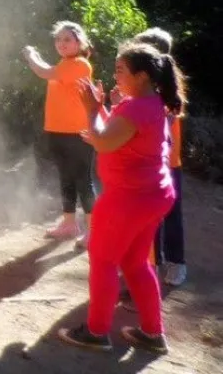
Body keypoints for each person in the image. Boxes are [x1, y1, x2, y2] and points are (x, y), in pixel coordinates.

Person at [58, 43, 184, 355]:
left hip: (128, 198)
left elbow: (103, 142)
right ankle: (153, 334)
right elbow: (117, 134)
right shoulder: (151, 103)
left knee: (103, 261)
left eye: (120, 70)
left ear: (142, 76)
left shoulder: (136, 108)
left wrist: (92, 110)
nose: (115, 75)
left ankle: (96, 332)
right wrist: (103, 110)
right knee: (135, 262)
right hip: (153, 195)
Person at [22, 21, 95, 248]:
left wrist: (31, 55)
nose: (61, 43)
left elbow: (44, 71)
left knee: (83, 180)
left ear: (79, 43)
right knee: (66, 178)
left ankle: (94, 231)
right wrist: (36, 58)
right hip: (59, 131)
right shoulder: (65, 64)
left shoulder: (80, 64)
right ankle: (69, 224)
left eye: (67, 39)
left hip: (78, 133)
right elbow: (49, 71)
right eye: (58, 39)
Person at [134, 28, 187, 287]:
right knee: (146, 217)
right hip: (144, 164)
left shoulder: (167, 86)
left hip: (168, 164)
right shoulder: (139, 85)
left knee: (171, 213)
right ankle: (150, 264)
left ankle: (176, 262)